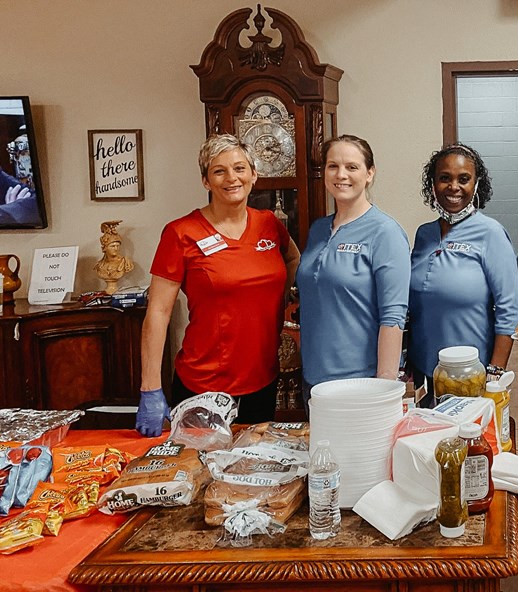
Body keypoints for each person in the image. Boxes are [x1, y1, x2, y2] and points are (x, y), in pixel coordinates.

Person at [136, 133, 300, 436]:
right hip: (203, 383)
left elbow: (292, 259)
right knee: (200, 475)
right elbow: (158, 312)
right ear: (205, 181)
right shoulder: (180, 233)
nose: (231, 178)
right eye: (219, 170)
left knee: (248, 474)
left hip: (263, 378)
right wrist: (150, 388)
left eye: (239, 168)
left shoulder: (269, 224)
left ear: (254, 175)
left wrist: (278, 301)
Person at [296, 135, 410, 402]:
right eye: (332, 166)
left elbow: (393, 317)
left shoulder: (385, 233)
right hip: (312, 381)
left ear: (370, 174)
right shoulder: (318, 230)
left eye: (352, 167)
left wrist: (384, 390)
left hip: (360, 384)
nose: (341, 174)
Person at [408, 143, 518, 399]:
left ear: (476, 184)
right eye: (444, 178)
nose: (453, 187)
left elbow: (508, 307)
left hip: (471, 374)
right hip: (426, 369)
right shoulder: (424, 234)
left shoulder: (490, 233)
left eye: (464, 179)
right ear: (432, 184)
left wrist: (496, 371)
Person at [94, 220, 135, 294]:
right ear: (104, 248)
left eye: (118, 246)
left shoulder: (125, 262)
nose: (116, 249)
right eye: (112, 246)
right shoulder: (99, 265)